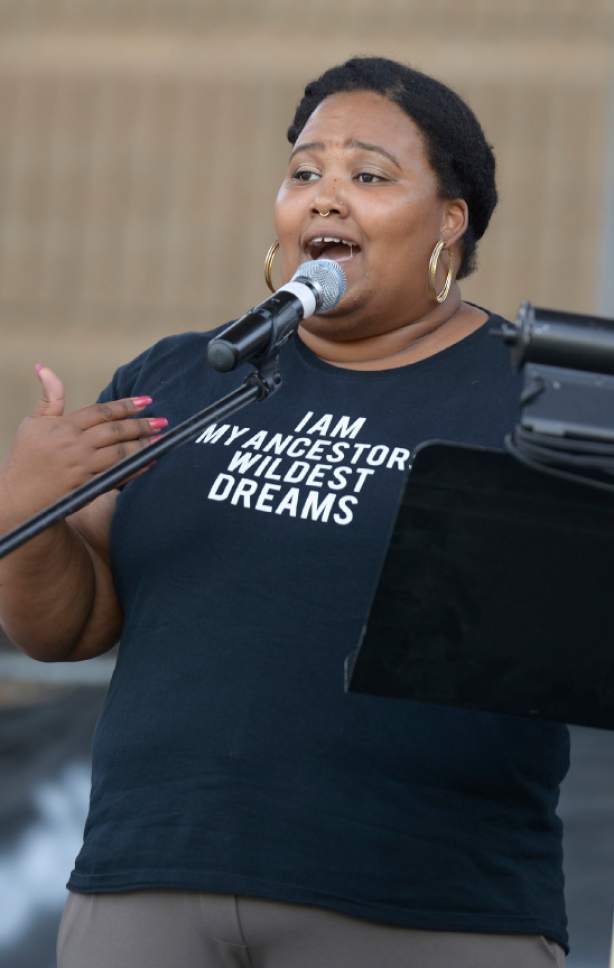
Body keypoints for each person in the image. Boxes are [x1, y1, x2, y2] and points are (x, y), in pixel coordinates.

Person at [0, 57, 568, 968]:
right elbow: (65, 631)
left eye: (368, 176)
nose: (324, 197)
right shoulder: (182, 377)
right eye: (304, 172)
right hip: (149, 882)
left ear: (450, 223)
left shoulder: (534, 397)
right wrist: (26, 506)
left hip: (418, 902)